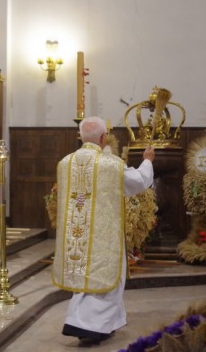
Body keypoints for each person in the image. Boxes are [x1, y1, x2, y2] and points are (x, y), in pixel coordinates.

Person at [52, 116, 155, 344]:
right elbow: (139, 181)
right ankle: (91, 327)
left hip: (76, 235)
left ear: (81, 137)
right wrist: (147, 161)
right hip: (103, 235)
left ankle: (90, 322)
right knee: (105, 280)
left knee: (83, 279)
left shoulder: (65, 163)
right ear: (103, 138)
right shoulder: (111, 164)